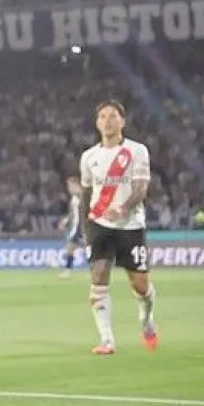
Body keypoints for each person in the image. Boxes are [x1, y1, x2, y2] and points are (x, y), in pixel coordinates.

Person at [79, 100, 158, 355]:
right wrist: (85, 228)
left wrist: (123, 208)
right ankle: (106, 340)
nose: (108, 121)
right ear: (97, 123)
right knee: (99, 277)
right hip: (99, 224)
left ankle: (146, 319)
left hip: (130, 225)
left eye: (113, 116)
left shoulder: (137, 151)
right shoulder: (89, 157)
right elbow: (86, 194)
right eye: (103, 116)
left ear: (122, 121)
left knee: (140, 284)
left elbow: (141, 188)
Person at [57, 176, 84, 278]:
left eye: (70, 185)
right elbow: (72, 213)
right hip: (76, 227)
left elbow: (84, 211)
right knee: (70, 247)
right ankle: (67, 270)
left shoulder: (82, 196)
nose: (69, 188)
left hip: (80, 227)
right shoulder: (74, 197)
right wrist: (65, 221)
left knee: (75, 247)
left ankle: (67, 270)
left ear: (75, 185)